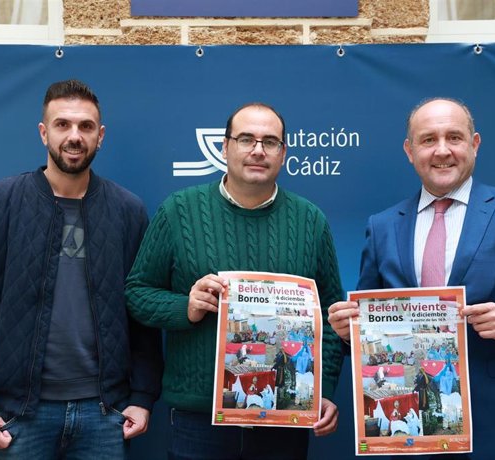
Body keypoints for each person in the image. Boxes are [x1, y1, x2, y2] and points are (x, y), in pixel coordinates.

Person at [328, 97, 495, 459]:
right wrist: (350, 332)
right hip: (410, 427)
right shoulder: (382, 226)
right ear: (410, 151)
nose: (442, 151)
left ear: (474, 144)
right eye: (428, 140)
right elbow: (368, 318)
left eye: (454, 137)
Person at [0, 79, 163, 458]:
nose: (74, 136)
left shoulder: (128, 211)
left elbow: (140, 310)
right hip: (15, 416)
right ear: (44, 133)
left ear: (101, 135)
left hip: (104, 415)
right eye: (62, 125)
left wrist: (142, 396)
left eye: (86, 126)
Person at [125, 102, 344, 460]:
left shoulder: (311, 221)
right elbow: (136, 293)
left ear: (283, 152)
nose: (258, 150)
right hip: (199, 422)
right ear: (225, 147)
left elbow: (332, 318)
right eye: (246, 139)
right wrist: (186, 307)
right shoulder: (178, 211)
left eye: (270, 141)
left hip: (285, 418)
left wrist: (326, 389)